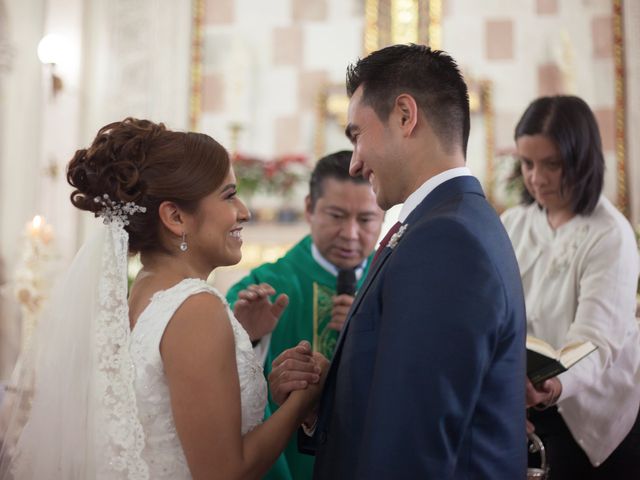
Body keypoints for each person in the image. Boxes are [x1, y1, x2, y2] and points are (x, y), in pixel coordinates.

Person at [0, 118, 324, 479]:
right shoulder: (196, 308)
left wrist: (243, 335)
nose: (244, 212)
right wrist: (302, 402)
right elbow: (225, 472)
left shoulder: (144, 289)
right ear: (174, 216)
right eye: (229, 195)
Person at [269, 44, 527, 479]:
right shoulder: (447, 221)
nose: (354, 163)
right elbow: (408, 390)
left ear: (405, 116)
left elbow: (414, 444)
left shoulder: (447, 239)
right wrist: (327, 394)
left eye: (357, 135)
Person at [501, 95, 640, 478]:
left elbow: (599, 341)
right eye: (527, 163)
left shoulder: (610, 234)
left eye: (552, 164)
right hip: (525, 404)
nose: (537, 178)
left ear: (582, 160)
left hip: (595, 417)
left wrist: (555, 385)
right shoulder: (514, 224)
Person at [227, 150, 384, 480]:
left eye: (366, 219)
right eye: (337, 216)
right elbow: (213, 383)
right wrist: (249, 339)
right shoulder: (263, 287)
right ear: (310, 208)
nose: (351, 233)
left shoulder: (397, 286)